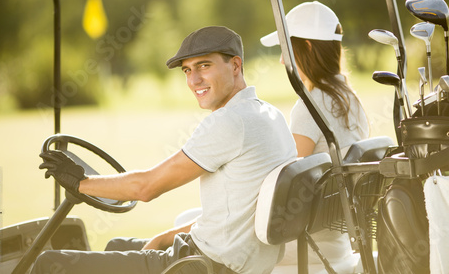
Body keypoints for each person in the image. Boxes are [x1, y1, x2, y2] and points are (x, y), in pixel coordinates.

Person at [33, 26, 297, 274]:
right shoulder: (269, 114)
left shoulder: (229, 122)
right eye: (186, 70)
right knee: (117, 245)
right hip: (231, 260)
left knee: (49, 263)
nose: (194, 80)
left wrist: (80, 183)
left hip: (203, 266)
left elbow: (145, 187)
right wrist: (162, 238)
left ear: (235, 65)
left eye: (204, 66)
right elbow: (234, 214)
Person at [260, 1, 369, 272]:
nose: (282, 59)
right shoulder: (350, 99)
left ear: (307, 46)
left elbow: (287, 179)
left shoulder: (311, 104)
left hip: (310, 245)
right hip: (338, 240)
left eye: (286, 50)